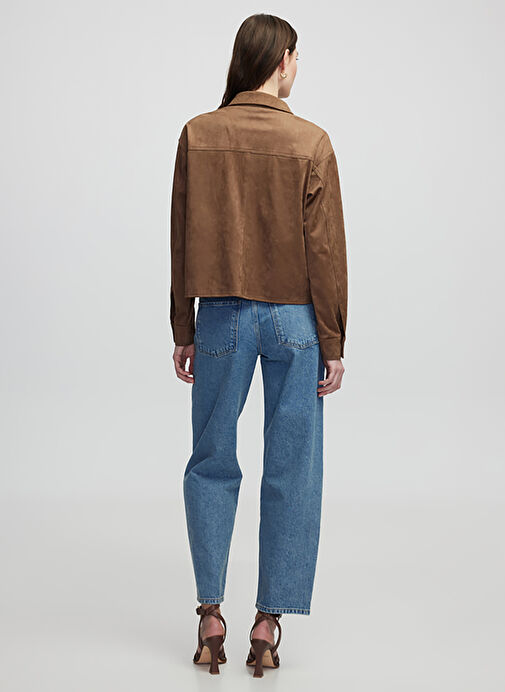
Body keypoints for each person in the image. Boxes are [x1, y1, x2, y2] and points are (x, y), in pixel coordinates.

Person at [169, 13, 348, 677]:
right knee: (293, 466)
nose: (297, 68)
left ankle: (210, 614)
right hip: (295, 322)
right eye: (295, 57)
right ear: (280, 60)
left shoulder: (198, 134)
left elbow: (180, 237)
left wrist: (183, 326)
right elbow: (324, 250)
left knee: (211, 458)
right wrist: (332, 338)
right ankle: (268, 623)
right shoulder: (311, 142)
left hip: (220, 317)